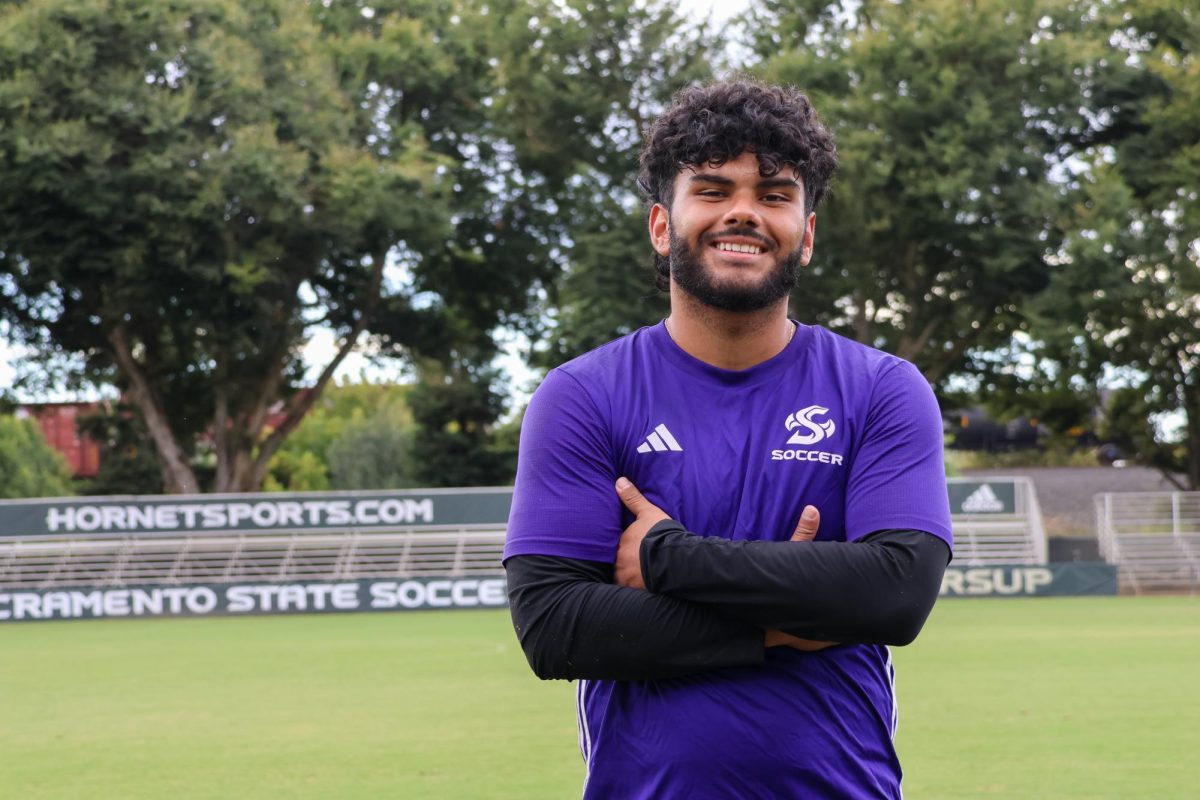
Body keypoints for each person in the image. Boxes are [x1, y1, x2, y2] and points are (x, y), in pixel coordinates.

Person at [503, 79, 952, 799]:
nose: (744, 210)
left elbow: (895, 595)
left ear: (804, 236)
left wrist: (665, 556)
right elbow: (556, 627)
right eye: (712, 189)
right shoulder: (583, 395)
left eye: (774, 194)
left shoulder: (882, 389)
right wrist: (782, 622)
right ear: (661, 225)